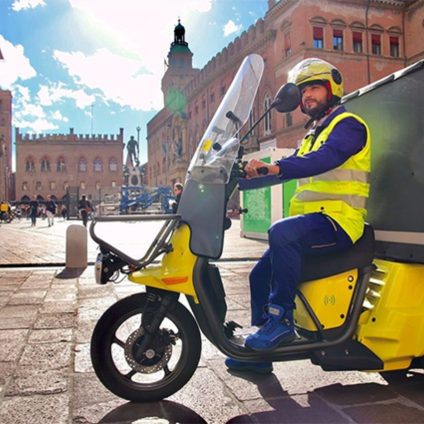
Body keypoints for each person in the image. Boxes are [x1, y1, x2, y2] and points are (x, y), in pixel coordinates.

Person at [226, 58, 371, 373]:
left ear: (332, 88)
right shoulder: (312, 134)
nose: (307, 96)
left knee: (281, 231)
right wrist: (235, 179)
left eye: (314, 88)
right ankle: (261, 355)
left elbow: (326, 159)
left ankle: (281, 321)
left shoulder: (348, 126)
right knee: (258, 275)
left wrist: (277, 167)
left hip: (340, 223)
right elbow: (286, 169)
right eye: (303, 91)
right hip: (314, 223)